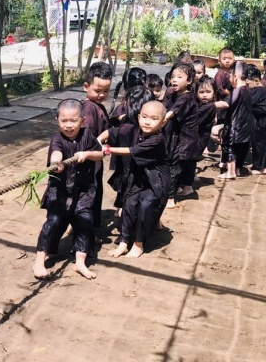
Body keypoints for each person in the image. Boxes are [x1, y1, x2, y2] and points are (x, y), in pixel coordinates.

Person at [32, 99, 104, 280]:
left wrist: (87, 154)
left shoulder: (88, 135)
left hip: (84, 191)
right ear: (57, 120)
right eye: (64, 121)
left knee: (85, 222)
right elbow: (56, 154)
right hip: (60, 192)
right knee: (54, 222)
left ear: (83, 120)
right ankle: (39, 260)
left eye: (73, 120)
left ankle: (80, 262)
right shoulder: (57, 140)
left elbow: (100, 154)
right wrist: (57, 163)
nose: (69, 125)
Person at [106, 101, 171, 258]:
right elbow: (114, 131)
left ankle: (138, 244)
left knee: (145, 207)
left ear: (163, 122)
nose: (148, 122)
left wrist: (106, 150)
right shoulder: (134, 130)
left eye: (154, 119)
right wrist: (98, 139)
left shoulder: (158, 139)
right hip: (139, 178)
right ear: (138, 117)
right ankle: (123, 243)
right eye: (145, 117)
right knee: (129, 205)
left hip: (156, 181)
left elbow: (131, 151)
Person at [83, 62, 113, 228]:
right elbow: (87, 137)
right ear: (86, 87)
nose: (102, 94)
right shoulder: (88, 108)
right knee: (91, 194)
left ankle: (79, 227)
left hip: (95, 159)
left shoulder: (98, 106)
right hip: (90, 160)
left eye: (106, 91)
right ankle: (87, 230)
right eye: (97, 90)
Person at [164, 62, 199, 202]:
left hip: (186, 139)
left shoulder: (186, 97)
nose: (174, 80)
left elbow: (170, 113)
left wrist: (156, 121)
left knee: (175, 165)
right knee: (183, 164)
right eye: (172, 76)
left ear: (189, 81)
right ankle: (185, 187)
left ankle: (170, 198)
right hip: (180, 136)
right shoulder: (174, 94)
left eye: (179, 77)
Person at [219, 60, 254, 179]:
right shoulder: (248, 89)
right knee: (242, 148)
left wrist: (209, 105)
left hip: (236, 126)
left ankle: (231, 172)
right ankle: (238, 169)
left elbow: (226, 104)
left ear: (235, 76)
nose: (229, 79)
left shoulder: (237, 91)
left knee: (231, 148)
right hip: (247, 126)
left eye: (229, 76)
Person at [246, 65, 266, 174]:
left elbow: (248, 103)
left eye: (248, 84)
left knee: (260, 143)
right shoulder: (260, 90)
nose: (247, 86)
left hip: (265, 119)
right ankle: (262, 163)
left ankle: (261, 167)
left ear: (256, 81)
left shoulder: (257, 90)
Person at [196, 75, 220, 158]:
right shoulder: (196, 105)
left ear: (214, 93)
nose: (204, 95)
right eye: (201, 92)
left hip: (205, 134)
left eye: (208, 92)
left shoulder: (212, 106)